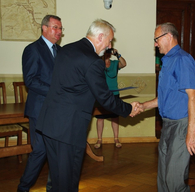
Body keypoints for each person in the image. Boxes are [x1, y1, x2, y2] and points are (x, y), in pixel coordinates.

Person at [36, 19, 141, 191]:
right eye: (109, 41)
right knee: (67, 182)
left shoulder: (67, 49)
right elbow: (105, 98)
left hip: (50, 124)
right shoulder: (92, 61)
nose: (109, 46)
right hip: (68, 130)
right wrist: (129, 109)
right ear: (100, 37)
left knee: (56, 179)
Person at [140, 22, 195, 192]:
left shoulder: (182, 59)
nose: (155, 44)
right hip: (167, 125)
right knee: (164, 179)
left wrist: (191, 133)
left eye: (156, 39)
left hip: (181, 126)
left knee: (174, 181)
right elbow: (165, 98)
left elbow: (193, 96)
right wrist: (143, 106)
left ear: (168, 37)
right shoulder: (167, 61)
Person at [17, 15, 63, 192]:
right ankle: (23, 188)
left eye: (60, 28)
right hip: (40, 109)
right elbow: (31, 80)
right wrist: (56, 91)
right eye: (55, 27)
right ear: (44, 28)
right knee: (40, 151)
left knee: (56, 152)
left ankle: (52, 188)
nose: (59, 32)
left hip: (57, 110)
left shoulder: (60, 51)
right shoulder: (33, 49)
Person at [94, 48, 126, 149]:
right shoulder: (99, 63)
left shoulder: (115, 63)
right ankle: (99, 139)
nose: (107, 54)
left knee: (115, 116)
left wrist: (118, 54)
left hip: (114, 94)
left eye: (109, 52)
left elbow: (124, 64)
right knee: (100, 118)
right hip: (101, 94)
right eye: (105, 52)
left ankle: (116, 138)